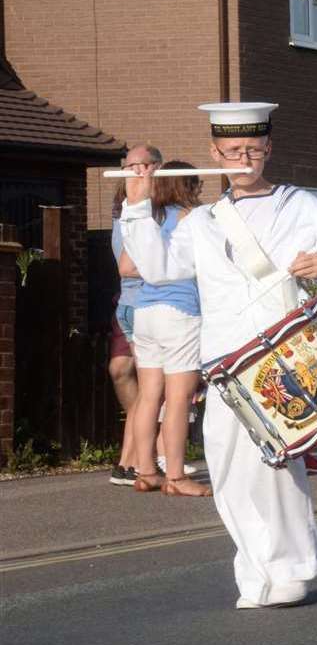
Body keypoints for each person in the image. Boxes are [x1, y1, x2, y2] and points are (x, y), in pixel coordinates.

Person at [120, 102, 317, 609]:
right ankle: (254, 570)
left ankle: (292, 567)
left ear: (269, 149)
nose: (244, 158)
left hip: (283, 356)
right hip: (225, 362)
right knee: (227, 466)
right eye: (232, 150)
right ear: (215, 153)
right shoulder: (204, 220)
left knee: (275, 466)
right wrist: (138, 205)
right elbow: (159, 268)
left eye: (253, 149)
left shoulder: (299, 205)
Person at [121, 163, 209, 496]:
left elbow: (128, 266)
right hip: (181, 312)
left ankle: (145, 471)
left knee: (148, 396)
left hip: (145, 311)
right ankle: (176, 476)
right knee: (178, 399)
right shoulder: (196, 218)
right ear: (189, 186)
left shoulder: (151, 219)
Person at [108, 147, 159, 487]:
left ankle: (134, 461)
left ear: (157, 168)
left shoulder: (146, 212)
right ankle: (133, 463)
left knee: (150, 388)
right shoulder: (135, 215)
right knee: (150, 389)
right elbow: (127, 266)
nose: (138, 172)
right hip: (142, 305)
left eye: (143, 166)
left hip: (138, 305)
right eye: (132, 167)